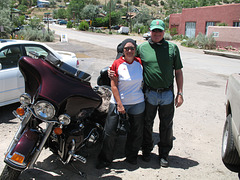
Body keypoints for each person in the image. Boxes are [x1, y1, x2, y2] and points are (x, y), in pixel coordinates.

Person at [137, 19, 184, 167]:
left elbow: (178, 72)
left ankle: (164, 154)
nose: (157, 33)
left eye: (159, 31)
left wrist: (180, 93)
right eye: (154, 31)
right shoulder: (142, 48)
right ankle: (146, 150)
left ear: (164, 32)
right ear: (149, 31)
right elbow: (130, 63)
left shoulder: (173, 48)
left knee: (166, 125)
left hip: (167, 94)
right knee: (147, 123)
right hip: (149, 93)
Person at [96, 38, 145, 169]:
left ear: (135, 50)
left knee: (136, 132)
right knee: (110, 131)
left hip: (137, 102)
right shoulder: (116, 64)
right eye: (126, 48)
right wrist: (119, 103)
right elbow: (114, 86)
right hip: (118, 102)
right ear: (123, 51)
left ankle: (131, 156)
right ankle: (105, 159)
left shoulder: (140, 63)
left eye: (132, 48)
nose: (129, 51)